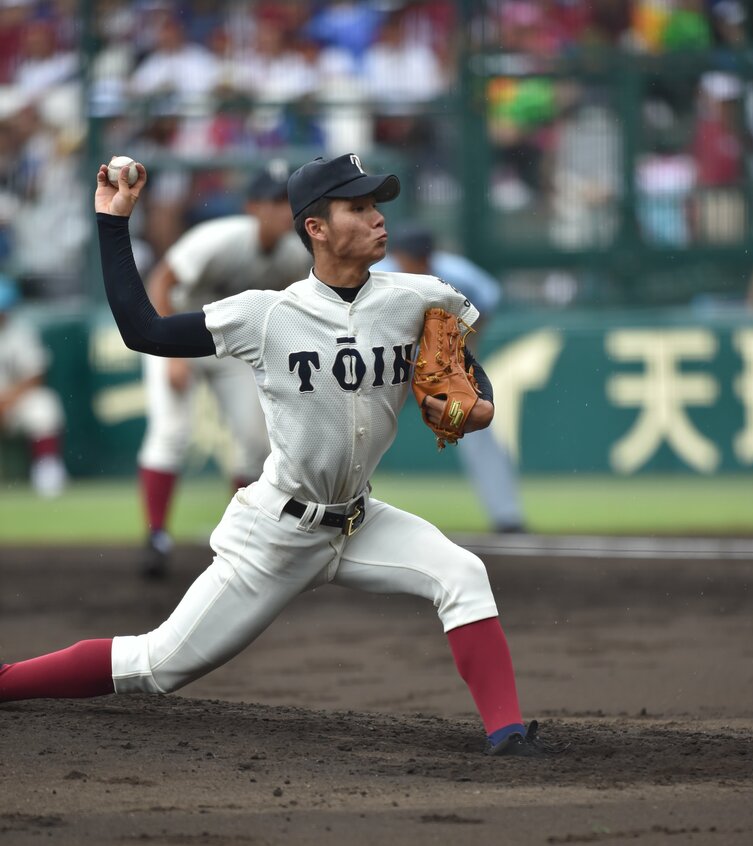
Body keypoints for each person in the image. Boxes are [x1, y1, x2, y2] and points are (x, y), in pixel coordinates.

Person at [0, 152, 547, 758]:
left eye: (377, 206)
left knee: (462, 573)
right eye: (358, 208)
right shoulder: (268, 315)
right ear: (315, 228)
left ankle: (509, 735)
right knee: (154, 665)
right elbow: (142, 330)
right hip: (277, 534)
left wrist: (480, 402)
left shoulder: (421, 297)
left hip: (361, 521)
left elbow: (471, 383)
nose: (378, 220)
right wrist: (112, 221)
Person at [137, 164, 311, 578]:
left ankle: (247, 536)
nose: (282, 211)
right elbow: (161, 282)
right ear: (253, 207)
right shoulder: (220, 239)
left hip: (230, 347)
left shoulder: (293, 253)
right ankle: (156, 536)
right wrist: (170, 356)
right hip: (176, 332)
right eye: (273, 202)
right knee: (171, 433)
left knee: (255, 442)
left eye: (286, 203)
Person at [378, 222, 526, 533]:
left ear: (431, 256)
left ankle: (507, 517)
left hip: (444, 366)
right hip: (393, 361)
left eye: (420, 256)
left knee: (477, 427)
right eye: (408, 255)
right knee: (363, 423)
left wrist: (463, 348)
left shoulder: (456, 273)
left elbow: (487, 300)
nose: (413, 262)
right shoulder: (382, 272)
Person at [0, 274, 68, 496]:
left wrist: (8, 401)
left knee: (43, 405)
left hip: (12, 402)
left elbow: (35, 375)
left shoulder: (19, 333)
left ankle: (47, 471)